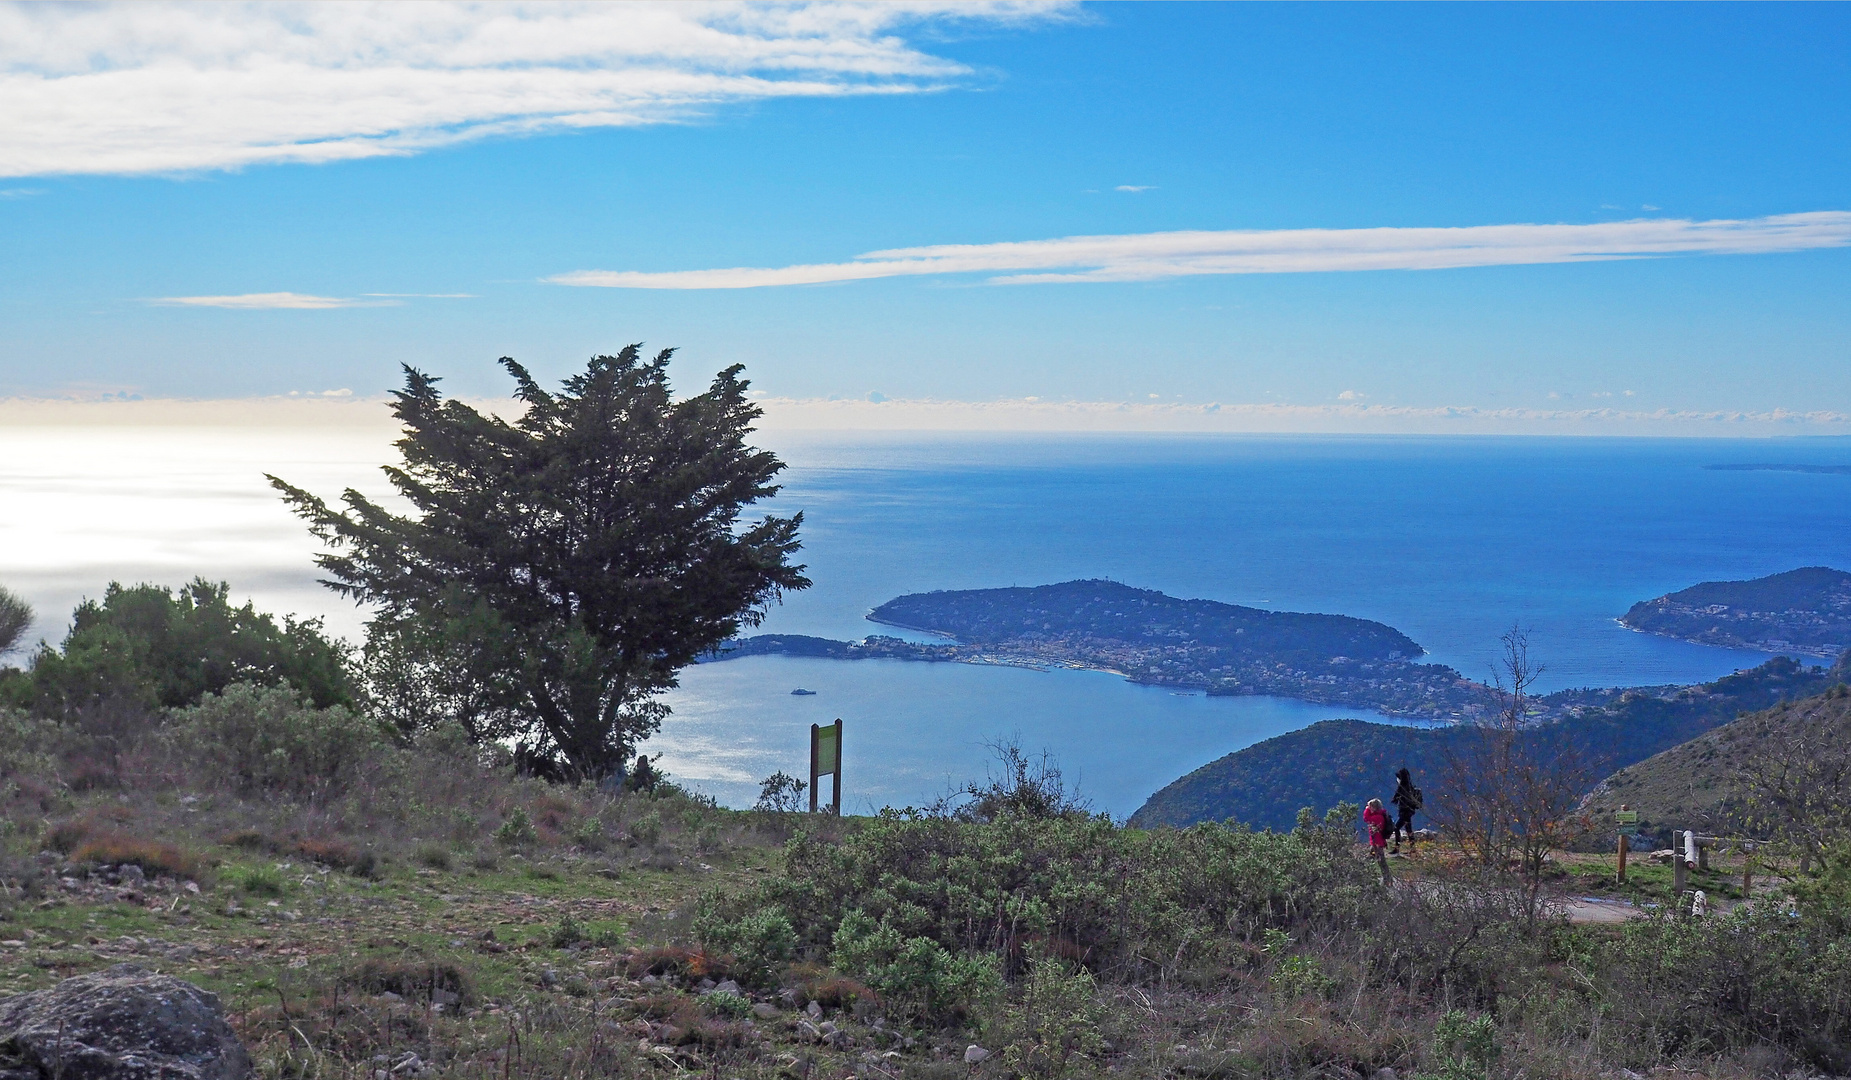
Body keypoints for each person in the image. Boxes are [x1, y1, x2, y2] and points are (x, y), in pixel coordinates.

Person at [1390, 767, 1422, 854]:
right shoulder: (1412, 788)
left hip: (1404, 812)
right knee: (1409, 830)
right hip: (1409, 812)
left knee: (1397, 828)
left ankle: (1397, 848)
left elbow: (1394, 800)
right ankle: (1412, 848)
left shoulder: (1402, 789)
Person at [1364, 797, 1392, 884]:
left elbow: (1366, 818)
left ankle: (1387, 879)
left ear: (1374, 807)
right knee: (1372, 858)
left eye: (1370, 807)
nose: (1369, 808)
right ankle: (1386, 879)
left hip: (1377, 842)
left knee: (1381, 861)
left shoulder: (1377, 817)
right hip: (1376, 842)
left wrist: (1367, 810)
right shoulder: (1379, 815)